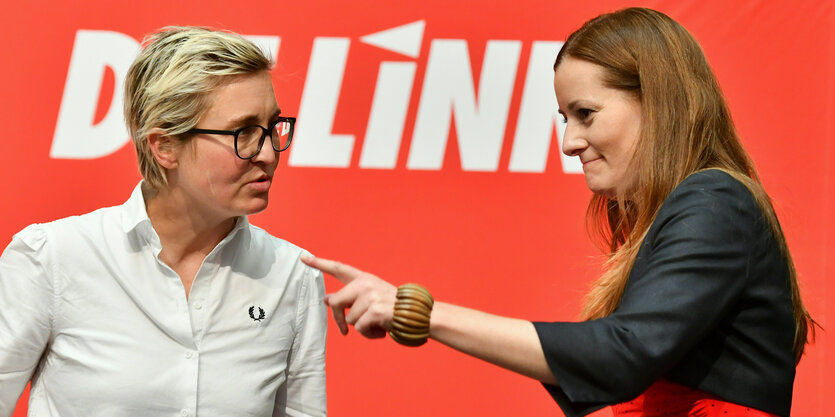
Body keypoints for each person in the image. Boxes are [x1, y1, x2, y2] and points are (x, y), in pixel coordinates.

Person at [300, 7, 814, 417]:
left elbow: (621, 355)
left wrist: (419, 313)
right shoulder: (691, 209)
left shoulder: (713, 200)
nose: (569, 142)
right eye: (564, 118)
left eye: (585, 114)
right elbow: (617, 382)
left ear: (658, 102)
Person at [0, 27, 326, 417]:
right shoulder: (51, 258)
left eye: (273, 127)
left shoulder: (294, 275)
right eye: (244, 132)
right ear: (165, 146)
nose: (268, 154)